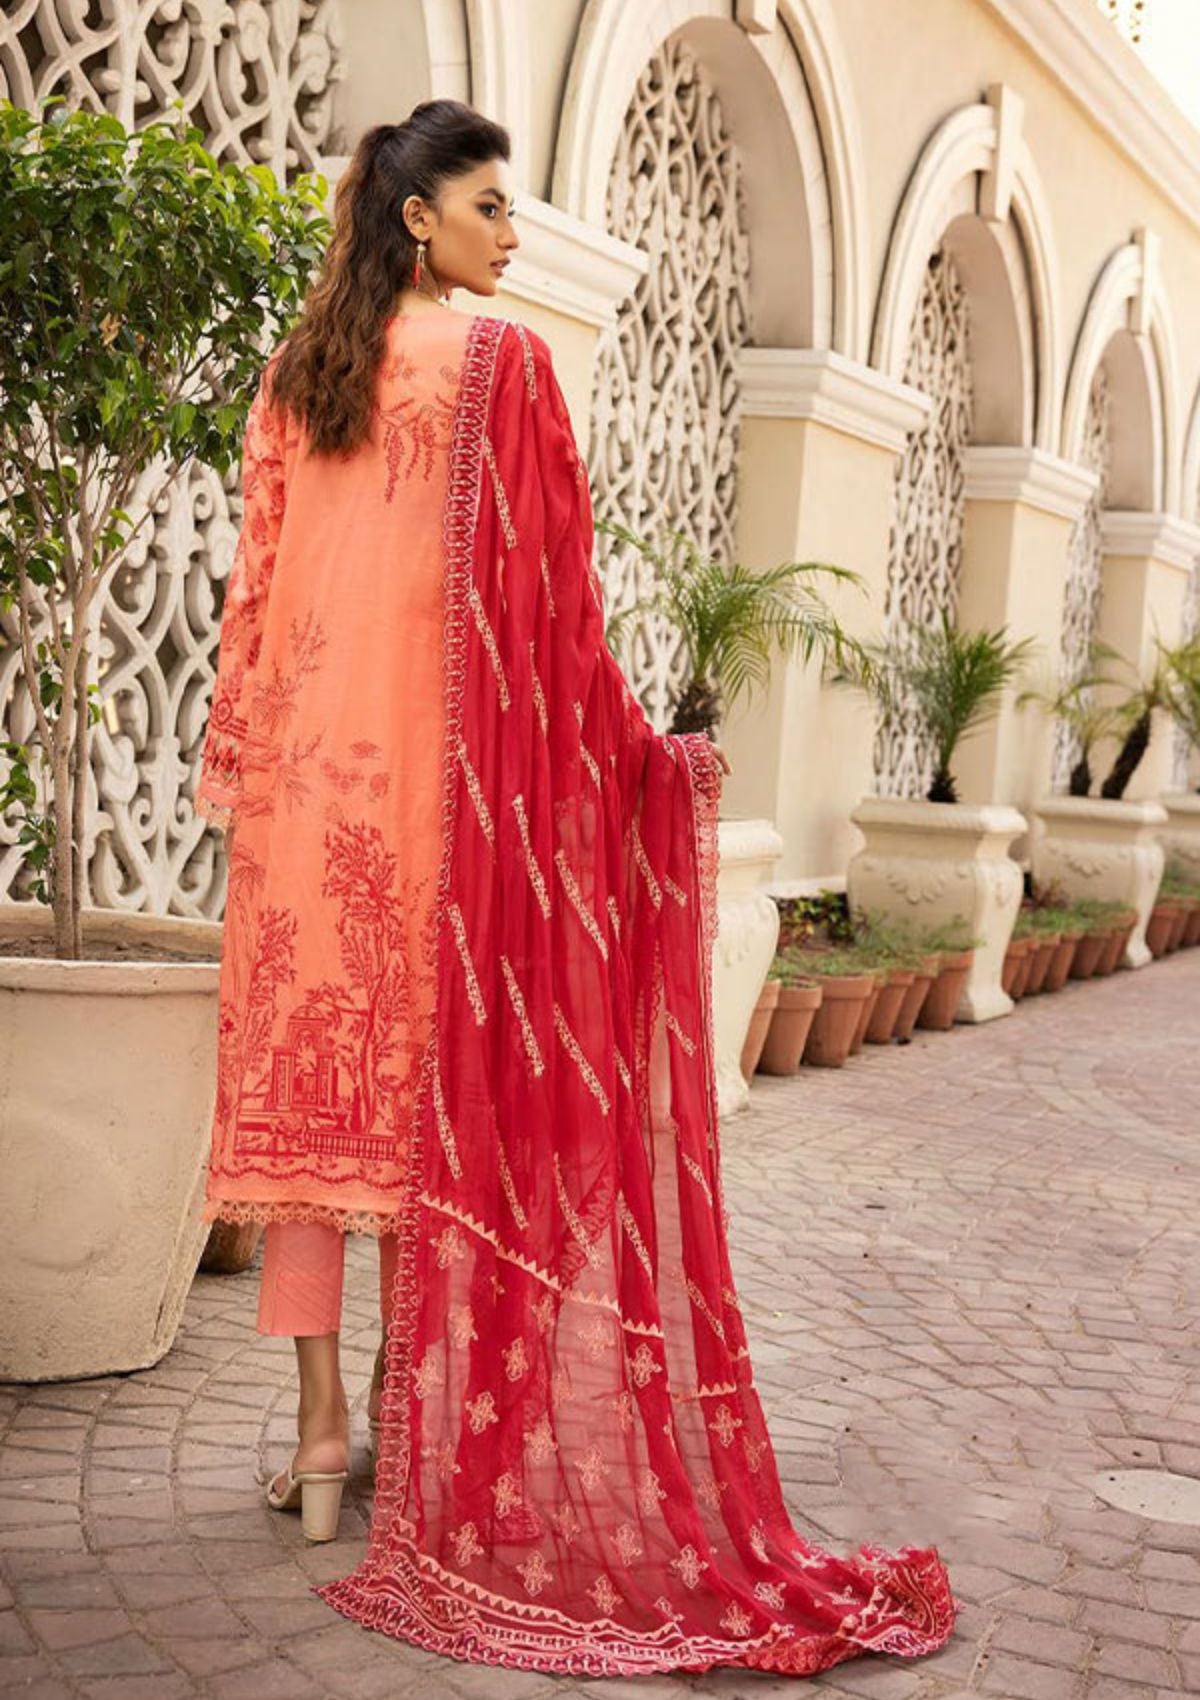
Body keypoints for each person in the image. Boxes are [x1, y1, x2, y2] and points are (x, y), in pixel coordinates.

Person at [196, 98, 954, 1677]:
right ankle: (407, 1451)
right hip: (432, 831)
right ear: (419, 217)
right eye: (490, 205)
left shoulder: (295, 376)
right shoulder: (503, 367)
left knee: (314, 1134)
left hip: (298, 822)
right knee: (425, 1129)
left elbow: (251, 610)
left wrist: (248, 785)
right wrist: (637, 760)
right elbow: (555, 624)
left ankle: (323, 1441)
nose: (512, 231)